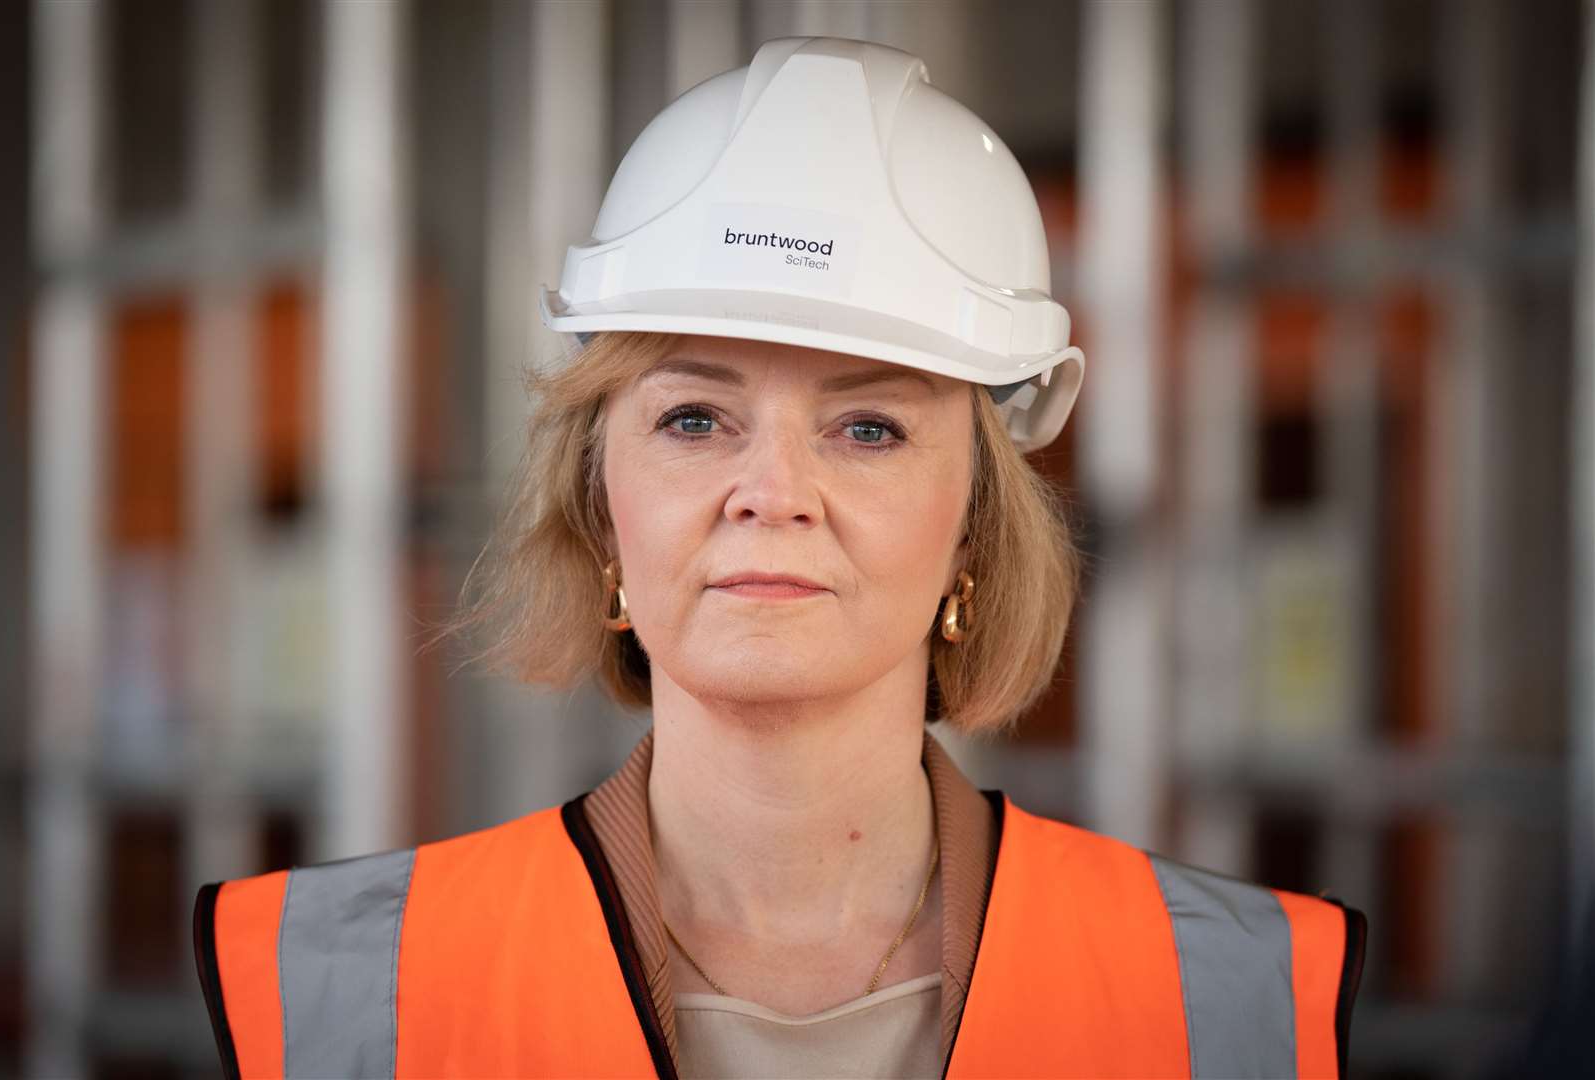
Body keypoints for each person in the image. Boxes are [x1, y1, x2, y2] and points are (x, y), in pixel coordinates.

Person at [192, 35, 1366, 1079]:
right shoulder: (343, 986)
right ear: (603, 511)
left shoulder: (1231, 993)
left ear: (974, 522)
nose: (772, 495)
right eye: (695, 419)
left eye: (869, 428)